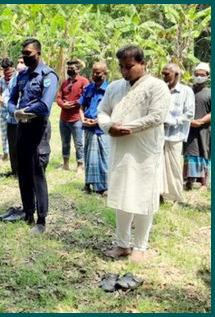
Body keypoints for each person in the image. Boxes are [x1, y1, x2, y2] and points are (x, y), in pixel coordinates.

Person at [98, 45, 171, 262]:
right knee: (122, 195)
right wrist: (109, 126)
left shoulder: (157, 87)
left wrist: (128, 128)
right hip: (120, 149)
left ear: (143, 63)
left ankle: (140, 245)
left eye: (129, 67)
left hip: (145, 151)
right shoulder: (114, 87)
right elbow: (103, 110)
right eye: (121, 67)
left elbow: (157, 116)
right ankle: (122, 244)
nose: (124, 71)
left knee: (143, 196)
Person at [0, 38, 59, 234]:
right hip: (21, 127)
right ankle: (28, 212)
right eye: (24, 54)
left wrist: (24, 110)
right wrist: (14, 111)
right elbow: (9, 97)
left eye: (29, 54)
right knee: (23, 172)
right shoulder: (22, 76)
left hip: (37, 129)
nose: (26, 58)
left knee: (37, 173)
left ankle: (41, 220)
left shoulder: (48, 75)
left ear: (39, 53)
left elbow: (45, 105)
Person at [161, 63, 195, 202]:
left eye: (166, 74)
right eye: (163, 73)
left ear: (176, 75)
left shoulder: (186, 91)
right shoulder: (161, 89)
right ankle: (159, 194)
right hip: (159, 134)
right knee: (158, 166)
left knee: (173, 166)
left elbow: (189, 113)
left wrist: (174, 121)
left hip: (175, 135)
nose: (164, 76)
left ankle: (174, 197)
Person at [78, 61, 110, 195]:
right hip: (88, 128)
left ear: (105, 74)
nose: (95, 75)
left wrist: (98, 121)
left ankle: (104, 187)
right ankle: (88, 184)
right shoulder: (88, 88)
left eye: (98, 73)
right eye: (93, 72)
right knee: (89, 157)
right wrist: (83, 119)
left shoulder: (109, 90)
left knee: (103, 157)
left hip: (101, 129)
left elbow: (112, 110)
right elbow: (81, 106)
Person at [56, 58, 90, 173]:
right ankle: (65, 164)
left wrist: (74, 104)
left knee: (78, 143)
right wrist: (63, 104)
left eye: (72, 68)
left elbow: (86, 96)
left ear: (79, 69)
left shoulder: (84, 81)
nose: (70, 70)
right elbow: (59, 97)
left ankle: (80, 165)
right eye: (68, 68)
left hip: (76, 118)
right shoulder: (65, 82)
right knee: (65, 142)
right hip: (64, 118)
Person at [183, 62, 211, 191]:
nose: (199, 77)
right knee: (190, 153)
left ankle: (204, 183)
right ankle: (188, 181)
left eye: (202, 75)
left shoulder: (210, 93)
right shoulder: (188, 91)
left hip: (204, 129)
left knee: (203, 152)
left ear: (207, 76)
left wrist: (201, 121)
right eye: (196, 75)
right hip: (189, 128)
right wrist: (190, 122)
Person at [0, 57, 27, 177]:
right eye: (19, 62)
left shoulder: (21, 79)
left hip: (20, 116)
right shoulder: (7, 80)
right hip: (9, 116)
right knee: (11, 143)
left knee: (20, 145)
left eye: (22, 63)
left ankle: (22, 171)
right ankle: (14, 170)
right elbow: (3, 95)